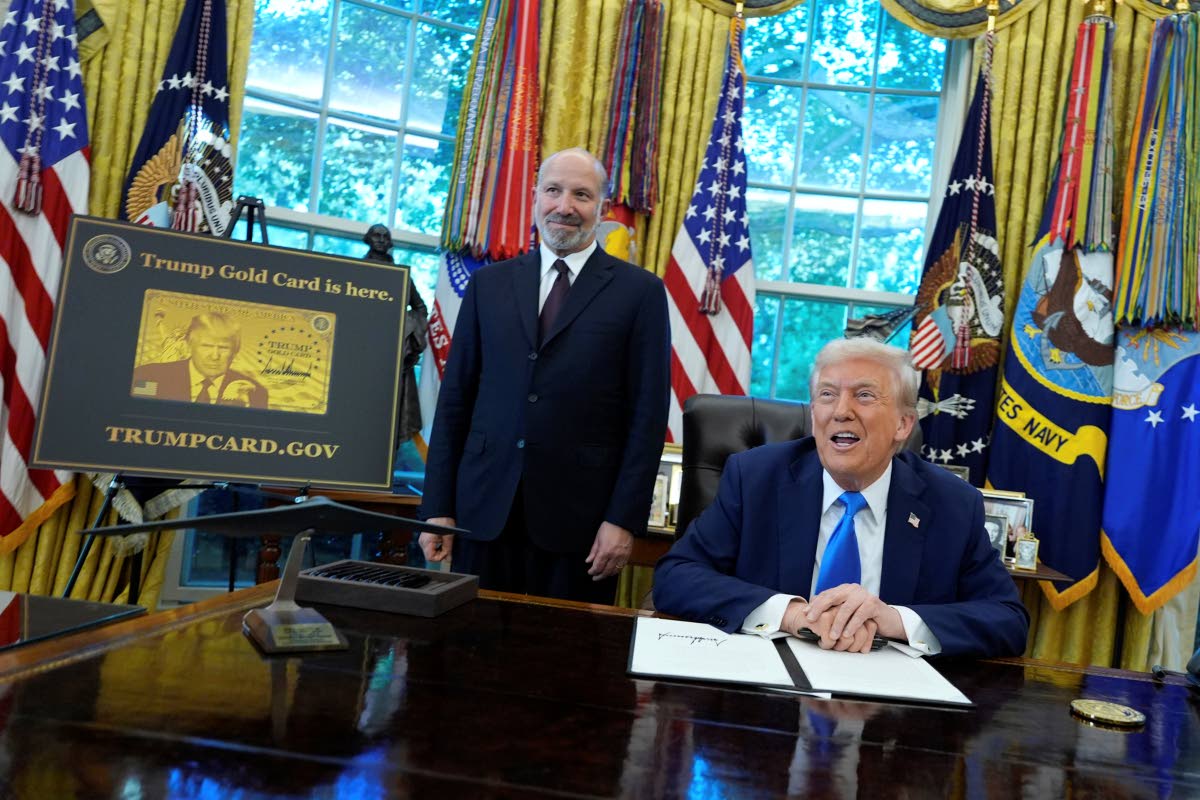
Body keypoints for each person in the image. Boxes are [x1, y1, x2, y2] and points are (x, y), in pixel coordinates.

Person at [653, 338, 1029, 658]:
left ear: (903, 424)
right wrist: (790, 614)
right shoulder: (755, 478)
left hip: (889, 700)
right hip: (766, 688)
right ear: (813, 413)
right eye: (827, 395)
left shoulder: (952, 503)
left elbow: (1008, 619)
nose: (841, 411)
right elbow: (676, 576)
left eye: (864, 395)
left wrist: (894, 620)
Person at [419, 147, 670, 604]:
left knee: (566, 648)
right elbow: (456, 399)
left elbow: (648, 418)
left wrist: (623, 519)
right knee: (470, 644)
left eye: (581, 195)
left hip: (582, 525)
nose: (564, 206)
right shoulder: (488, 285)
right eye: (553, 191)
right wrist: (437, 507)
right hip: (482, 512)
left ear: (602, 208)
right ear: (535, 197)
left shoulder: (641, 293)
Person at [362, 223, 429, 446]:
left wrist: (409, 331)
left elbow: (420, 308)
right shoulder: (357, 270)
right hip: (361, 347)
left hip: (393, 352)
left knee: (392, 413)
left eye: (385, 236)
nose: (381, 240)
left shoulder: (402, 277)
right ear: (368, 239)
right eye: (376, 235)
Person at [131, 312, 267, 408]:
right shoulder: (148, 376)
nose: (215, 356)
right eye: (206, 346)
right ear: (189, 345)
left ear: (235, 351)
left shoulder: (256, 392)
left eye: (224, 348)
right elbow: (137, 414)